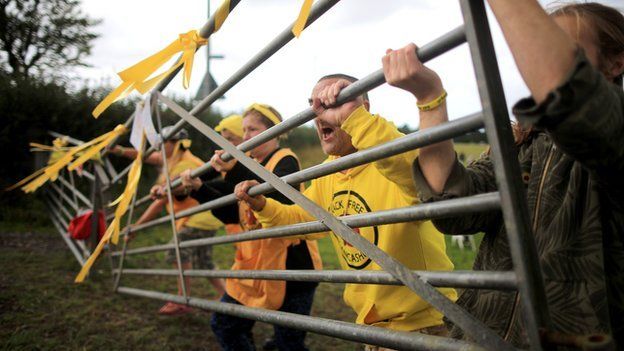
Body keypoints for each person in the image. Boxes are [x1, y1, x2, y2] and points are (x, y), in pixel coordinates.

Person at [388, 1, 624, 347]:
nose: (533, 57)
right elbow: (453, 205)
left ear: (616, 63)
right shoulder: (520, 143)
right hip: (485, 335)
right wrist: (430, 99)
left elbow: (575, 100)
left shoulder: (616, 135)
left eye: (562, 47)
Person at [234, 74, 457, 348]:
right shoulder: (330, 172)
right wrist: (261, 204)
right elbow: (300, 220)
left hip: (425, 324)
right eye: (315, 106)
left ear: (361, 107)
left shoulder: (390, 155)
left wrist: (355, 118)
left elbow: (422, 174)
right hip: (372, 326)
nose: (320, 115)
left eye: (333, 103)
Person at [180, 105, 322, 351]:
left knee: (288, 342)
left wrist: (235, 168)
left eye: (253, 129)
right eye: (244, 130)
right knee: (225, 324)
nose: (245, 137)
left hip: (293, 267)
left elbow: (279, 198)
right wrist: (198, 187)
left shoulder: (285, 159)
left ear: (274, 132)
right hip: (256, 264)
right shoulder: (249, 164)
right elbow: (230, 214)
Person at [114, 127, 226, 315]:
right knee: (204, 263)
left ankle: (183, 298)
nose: (157, 149)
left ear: (174, 143)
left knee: (176, 251)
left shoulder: (183, 166)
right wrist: (120, 151)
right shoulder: (174, 159)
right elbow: (148, 157)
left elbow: (161, 202)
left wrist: (136, 226)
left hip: (198, 217)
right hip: (202, 216)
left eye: (161, 144)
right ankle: (227, 296)